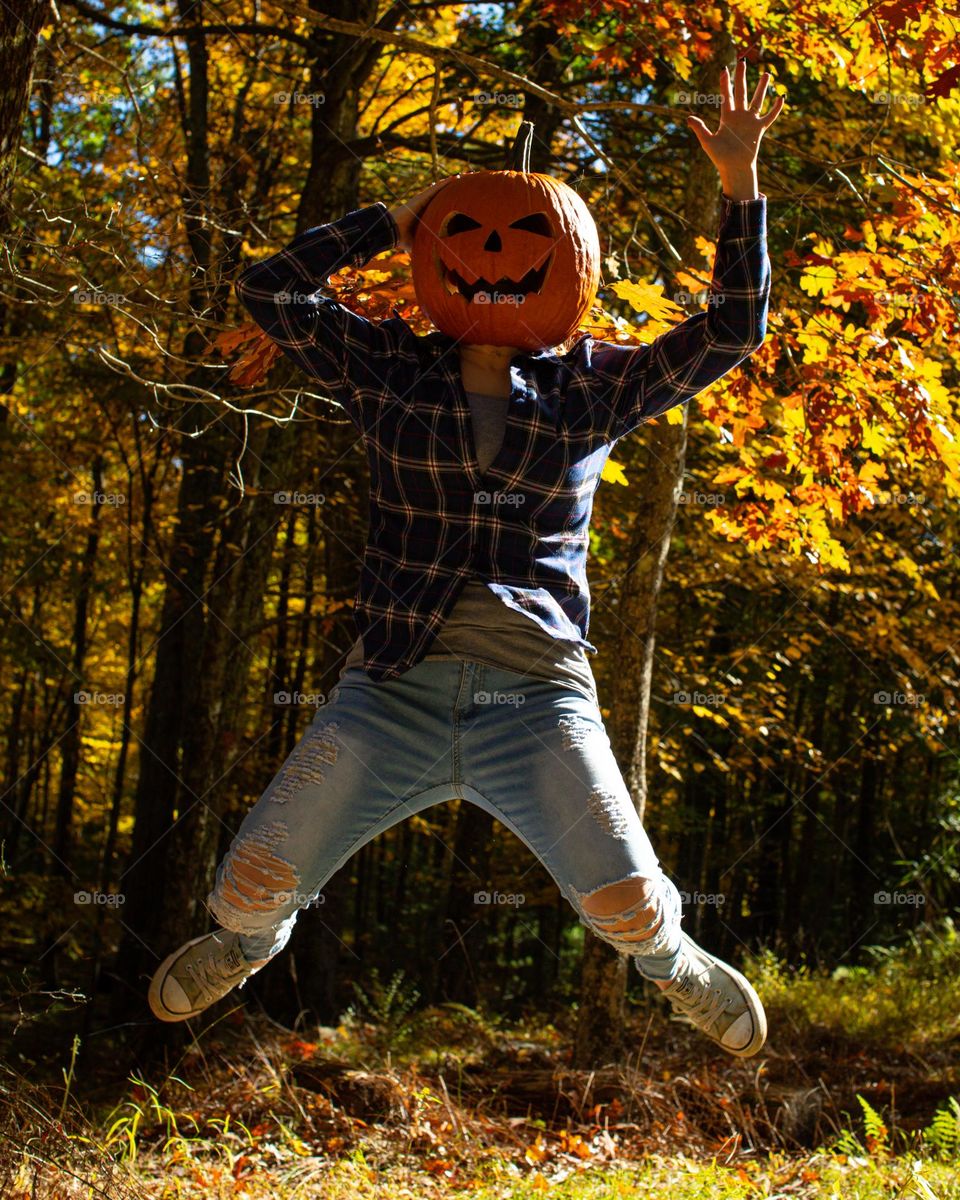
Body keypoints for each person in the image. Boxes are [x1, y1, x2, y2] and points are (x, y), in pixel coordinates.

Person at [149, 61, 783, 1056]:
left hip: (537, 697)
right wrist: (395, 219)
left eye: (526, 239)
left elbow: (732, 329)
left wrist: (740, 184)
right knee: (250, 886)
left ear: (571, 259)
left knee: (624, 906)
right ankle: (242, 945)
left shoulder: (595, 386)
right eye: (471, 238)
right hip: (389, 690)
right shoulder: (386, 362)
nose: (496, 255)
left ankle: (677, 967)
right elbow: (269, 289)